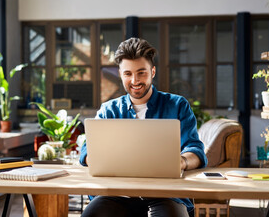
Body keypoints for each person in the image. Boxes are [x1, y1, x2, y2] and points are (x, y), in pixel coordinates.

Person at [79, 37, 208, 217]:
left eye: (142, 73)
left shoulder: (177, 105)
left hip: (167, 195)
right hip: (117, 194)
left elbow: (195, 150)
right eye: (128, 74)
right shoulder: (109, 110)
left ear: (153, 71)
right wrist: (100, 159)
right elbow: (87, 151)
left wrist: (182, 161)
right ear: (120, 73)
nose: (135, 80)